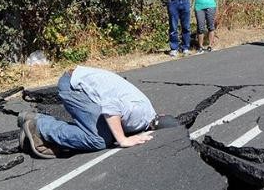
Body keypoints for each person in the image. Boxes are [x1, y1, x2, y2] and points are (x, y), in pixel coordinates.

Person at [18, 66, 178, 158]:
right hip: (73, 86)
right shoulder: (138, 116)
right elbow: (110, 107)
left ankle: (34, 119)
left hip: (80, 80)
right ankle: (40, 127)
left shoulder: (148, 112)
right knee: (99, 140)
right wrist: (123, 140)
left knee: (107, 133)